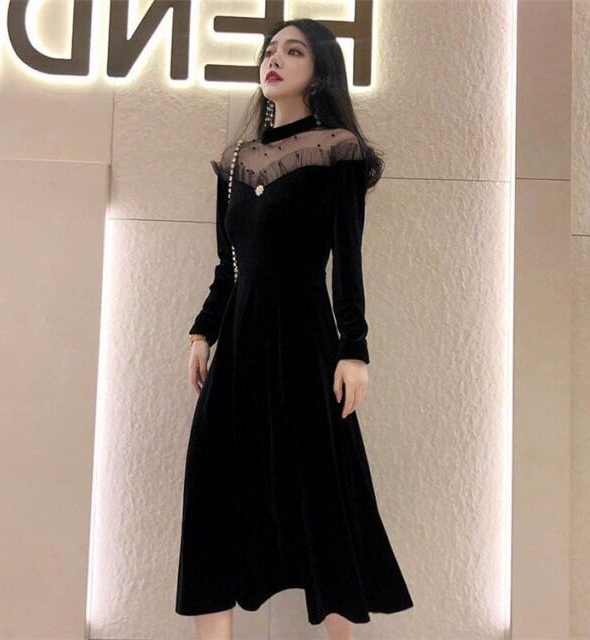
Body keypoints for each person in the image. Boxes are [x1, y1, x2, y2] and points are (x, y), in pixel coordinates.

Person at [175, 17, 414, 640]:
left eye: (293, 50)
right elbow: (228, 266)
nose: (274, 60)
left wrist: (354, 350)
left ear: (320, 69)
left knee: (323, 488)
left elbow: (347, 259)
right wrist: (203, 333)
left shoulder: (338, 149)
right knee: (214, 486)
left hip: (306, 340)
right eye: (269, 50)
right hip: (239, 343)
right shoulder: (234, 162)